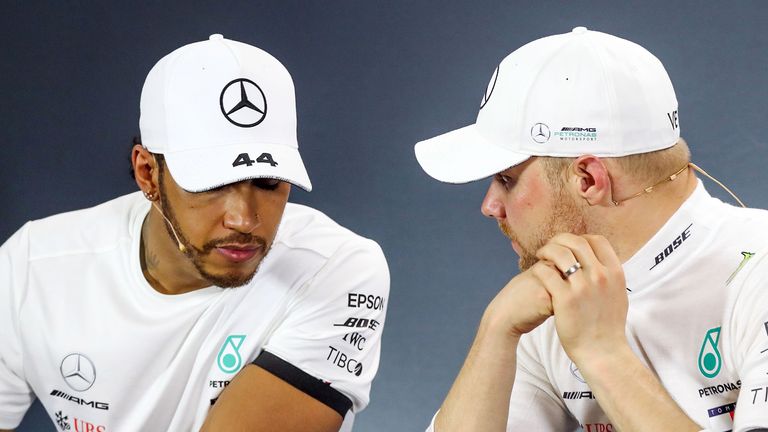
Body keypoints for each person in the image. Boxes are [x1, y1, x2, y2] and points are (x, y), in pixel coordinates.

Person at [0, 34, 389, 432]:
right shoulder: (32, 268)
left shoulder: (333, 268)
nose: (244, 219)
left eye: (269, 183)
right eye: (211, 183)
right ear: (147, 173)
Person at [414, 27, 768, 432]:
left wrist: (601, 352)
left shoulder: (759, 271)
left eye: (506, 179)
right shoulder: (552, 300)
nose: (490, 206)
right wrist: (495, 330)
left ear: (587, 178)